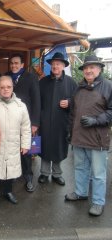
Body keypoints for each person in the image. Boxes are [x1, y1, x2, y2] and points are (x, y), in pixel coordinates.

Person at [65, 55, 112, 216]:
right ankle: (81, 192)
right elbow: (73, 112)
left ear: (99, 69)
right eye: (86, 68)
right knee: (80, 167)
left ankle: (98, 202)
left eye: (92, 67)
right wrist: (70, 132)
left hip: (97, 139)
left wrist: (96, 120)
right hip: (79, 137)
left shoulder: (108, 86)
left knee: (98, 174)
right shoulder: (79, 88)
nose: (88, 70)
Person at [0, 75, 31, 205]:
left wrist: (25, 145)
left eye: (8, 87)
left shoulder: (20, 106)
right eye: (2, 87)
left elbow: (26, 127)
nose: (5, 89)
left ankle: (8, 191)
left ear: (13, 87)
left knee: (11, 170)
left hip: (13, 144)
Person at [38, 52, 77, 186]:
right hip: (45, 123)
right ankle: (44, 173)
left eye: (58, 64)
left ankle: (57, 174)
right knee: (44, 146)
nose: (55, 66)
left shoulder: (71, 83)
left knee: (58, 148)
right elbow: (37, 102)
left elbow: (78, 101)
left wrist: (70, 102)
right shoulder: (43, 82)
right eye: (53, 64)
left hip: (61, 123)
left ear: (63, 66)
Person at [7, 53, 41, 192]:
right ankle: (15, 174)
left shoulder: (31, 77)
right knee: (13, 149)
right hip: (10, 120)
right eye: (11, 63)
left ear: (22, 65)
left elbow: (37, 100)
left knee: (27, 150)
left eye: (16, 63)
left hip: (26, 121)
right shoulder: (6, 77)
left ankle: (28, 177)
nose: (14, 65)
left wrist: (35, 123)